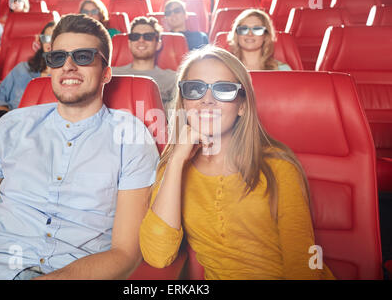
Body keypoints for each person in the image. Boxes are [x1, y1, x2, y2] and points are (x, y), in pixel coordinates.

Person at [0, 14, 159, 280]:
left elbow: (126, 253)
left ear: (106, 73)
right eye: (58, 58)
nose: (68, 66)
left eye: (83, 57)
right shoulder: (12, 127)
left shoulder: (131, 137)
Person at [139, 45, 335, 280]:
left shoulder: (279, 166)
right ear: (184, 103)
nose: (207, 101)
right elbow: (158, 256)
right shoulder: (174, 167)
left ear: (242, 105)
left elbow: (303, 262)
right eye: (195, 89)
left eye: (223, 90)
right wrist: (177, 160)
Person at [0, 21, 56, 125]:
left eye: (55, 38)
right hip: (12, 125)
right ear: (40, 41)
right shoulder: (22, 69)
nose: (50, 43)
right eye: (46, 38)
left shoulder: (65, 76)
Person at [112, 16, 176, 112]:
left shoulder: (171, 78)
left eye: (148, 36)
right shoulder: (112, 74)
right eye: (135, 36)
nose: (141, 40)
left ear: (158, 44)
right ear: (129, 43)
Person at [227, 8, 292, 71]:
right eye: (244, 29)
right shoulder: (226, 68)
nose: (250, 34)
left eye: (257, 29)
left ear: (266, 35)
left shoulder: (282, 69)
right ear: (236, 35)